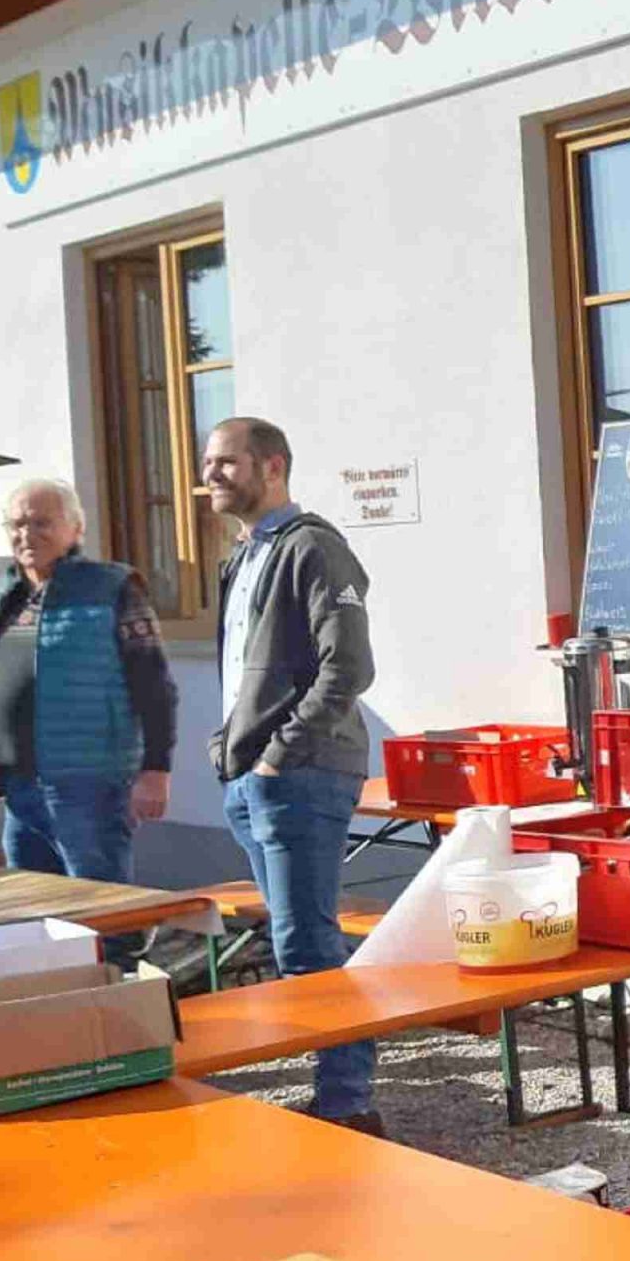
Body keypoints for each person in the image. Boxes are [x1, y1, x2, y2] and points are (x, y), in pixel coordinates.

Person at [202, 416, 381, 1134]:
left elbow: (350, 666)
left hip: (300, 775)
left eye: (226, 462)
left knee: (307, 944)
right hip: (252, 776)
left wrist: (282, 752)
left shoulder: (312, 547)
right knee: (295, 942)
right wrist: (230, 750)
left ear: (272, 466)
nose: (211, 475)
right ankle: (339, 1091)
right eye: (208, 463)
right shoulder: (244, 556)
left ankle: (349, 1103)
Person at [0, 480, 175, 895]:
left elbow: (155, 686)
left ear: (76, 529)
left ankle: (121, 943)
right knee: (35, 908)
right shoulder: (2, 596)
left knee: (100, 905)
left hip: (87, 787)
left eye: (42, 523)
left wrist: (156, 771)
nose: (27, 534)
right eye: (17, 524)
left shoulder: (111, 588)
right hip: (18, 788)